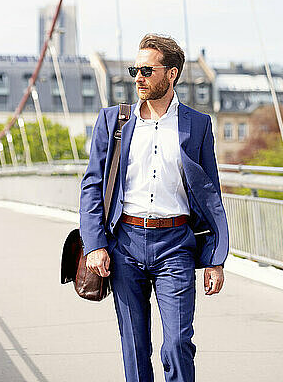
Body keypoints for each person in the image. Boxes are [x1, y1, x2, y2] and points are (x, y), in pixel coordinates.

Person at [79, 33, 229, 382]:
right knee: (134, 346)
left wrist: (215, 259)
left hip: (175, 244)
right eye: (135, 69)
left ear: (172, 74)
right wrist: (95, 244)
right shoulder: (113, 121)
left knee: (177, 343)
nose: (138, 77)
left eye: (147, 70)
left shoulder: (197, 124)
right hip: (125, 243)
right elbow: (91, 186)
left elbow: (211, 195)